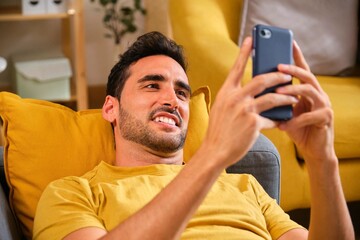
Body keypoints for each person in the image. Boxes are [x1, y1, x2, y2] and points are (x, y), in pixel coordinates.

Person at [33, 31, 354, 240]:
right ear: (110, 108)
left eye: (182, 92)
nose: (172, 99)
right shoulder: (73, 192)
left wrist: (322, 160)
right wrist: (212, 157)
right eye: (152, 85)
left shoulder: (244, 186)